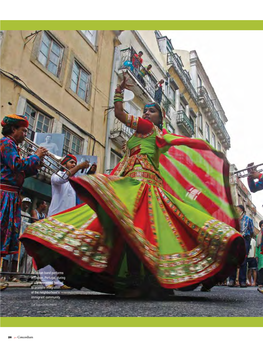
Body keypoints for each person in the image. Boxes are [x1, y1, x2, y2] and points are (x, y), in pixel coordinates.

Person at [20, 73, 245, 298]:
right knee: (137, 233)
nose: (146, 113)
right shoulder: (147, 135)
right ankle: (143, 280)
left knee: (138, 232)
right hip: (130, 185)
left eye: (151, 111)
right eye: (145, 110)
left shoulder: (150, 129)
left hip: (145, 188)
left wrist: (119, 92)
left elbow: (119, 114)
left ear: (158, 118)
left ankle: (143, 280)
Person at [0, 114, 47, 289]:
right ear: (13, 130)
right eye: (23, 130)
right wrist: (35, 156)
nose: (25, 134)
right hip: (4, 193)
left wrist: (36, 164)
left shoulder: (12, 146)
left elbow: (20, 172)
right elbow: (17, 165)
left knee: (5, 234)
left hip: (12, 194)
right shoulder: (6, 143)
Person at [38, 154, 90, 289]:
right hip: (55, 218)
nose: (74, 164)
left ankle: (58, 281)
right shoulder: (57, 176)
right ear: (65, 163)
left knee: (62, 251)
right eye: (72, 162)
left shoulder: (73, 181)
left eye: (75, 163)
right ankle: (46, 280)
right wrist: (79, 167)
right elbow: (62, 179)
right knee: (50, 249)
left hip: (68, 221)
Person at [228, 205, 254, 288]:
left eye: (237, 209)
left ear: (242, 210)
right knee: (233, 258)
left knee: (243, 259)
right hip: (235, 238)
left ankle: (242, 281)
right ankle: (232, 280)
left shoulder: (248, 219)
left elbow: (251, 231)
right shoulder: (233, 219)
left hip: (245, 239)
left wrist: (248, 241)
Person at [256, 220, 263, 294]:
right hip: (261, 255)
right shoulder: (258, 235)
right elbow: (258, 244)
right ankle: (260, 284)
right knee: (261, 269)